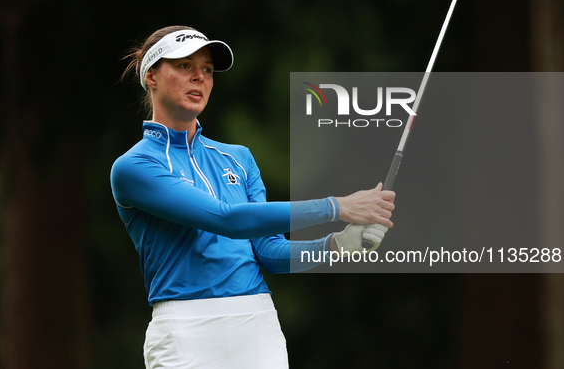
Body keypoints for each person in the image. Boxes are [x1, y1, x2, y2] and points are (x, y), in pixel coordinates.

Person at [111, 25, 396, 369]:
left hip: (257, 326)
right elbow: (226, 219)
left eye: (207, 70)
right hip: (185, 331)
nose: (199, 77)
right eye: (185, 66)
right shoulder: (134, 166)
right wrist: (337, 207)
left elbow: (269, 253)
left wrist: (336, 244)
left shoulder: (238, 158)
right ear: (152, 76)